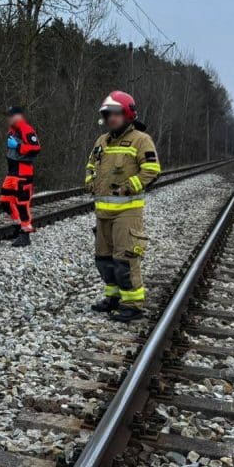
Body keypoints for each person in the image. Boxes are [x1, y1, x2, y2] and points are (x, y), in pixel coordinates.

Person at [84, 90, 161, 323]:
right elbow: (91, 165)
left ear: (128, 114)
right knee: (103, 259)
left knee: (124, 260)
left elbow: (152, 170)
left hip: (127, 211)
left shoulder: (140, 140)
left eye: (116, 113)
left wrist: (128, 187)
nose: (111, 118)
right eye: (108, 114)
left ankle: (132, 305)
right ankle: (113, 298)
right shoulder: (102, 141)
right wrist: (90, 181)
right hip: (103, 212)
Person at [0, 106, 41, 247]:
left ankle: (25, 234)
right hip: (12, 172)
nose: (9, 118)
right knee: (5, 201)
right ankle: (18, 228)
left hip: (23, 173)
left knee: (22, 204)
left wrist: (17, 146)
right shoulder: (12, 130)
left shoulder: (26, 129)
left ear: (19, 116)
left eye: (11, 115)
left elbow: (36, 148)